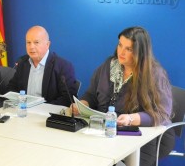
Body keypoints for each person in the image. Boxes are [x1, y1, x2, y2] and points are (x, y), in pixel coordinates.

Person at [71, 26, 174, 166]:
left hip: (146, 137)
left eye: (129, 49)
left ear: (140, 52)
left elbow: (162, 114)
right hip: (107, 132)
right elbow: (92, 94)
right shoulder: (108, 65)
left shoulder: (155, 74)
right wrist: (83, 104)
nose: (121, 52)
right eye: (120, 45)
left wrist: (131, 119)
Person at [7, 25, 78, 107]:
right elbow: (11, 87)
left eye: (36, 42)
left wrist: (41, 108)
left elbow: (68, 99)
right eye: (28, 42)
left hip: (47, 114)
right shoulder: (22, 62)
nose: (31, 47)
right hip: (23, 110)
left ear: (47, 44)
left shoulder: (63, 66)